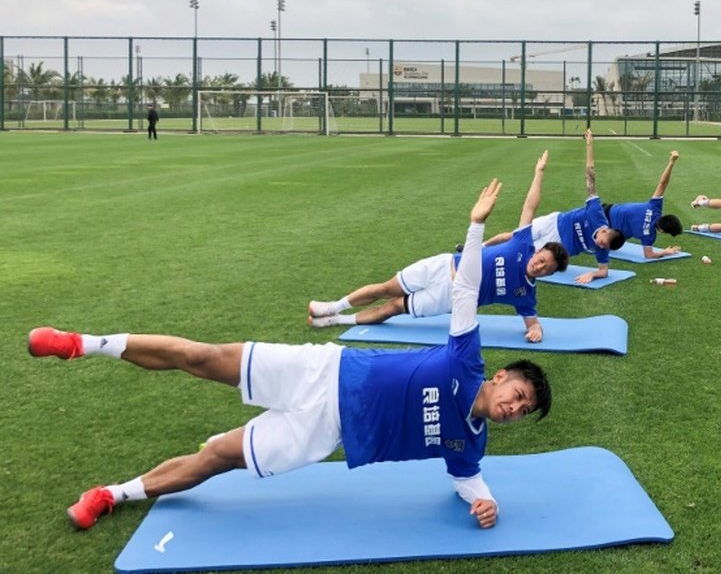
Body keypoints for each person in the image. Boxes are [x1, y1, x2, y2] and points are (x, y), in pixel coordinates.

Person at [27, 179, 552, 532]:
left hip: (324, 433)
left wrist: (486, 503)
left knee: (218, 458)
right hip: (322, 372)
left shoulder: (471, 443)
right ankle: (83, 344)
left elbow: (468, 481)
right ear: (502, 377)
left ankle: (112, 495)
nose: (515, 407)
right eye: (520, 395)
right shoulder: (467, 362)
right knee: (202, 356)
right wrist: (477, 226)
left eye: (523, 411)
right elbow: (465, 291)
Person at [309, 151, 569, 343]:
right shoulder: (522, 244)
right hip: (443, 265)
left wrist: (537, 330)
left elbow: (532, 322)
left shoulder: (526, 294)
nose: (540, 266)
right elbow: (529, 206)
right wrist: (539, 172)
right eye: (542, 259)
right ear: (538, 252)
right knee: (386, 288)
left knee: (393, 307)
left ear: (548, 274)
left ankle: (337, 320)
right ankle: (335, 306)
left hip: (450, 297)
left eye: (546, 268)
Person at [484, 129, 625, 284]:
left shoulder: (603, 249)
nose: (600, 245)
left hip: (556, 247)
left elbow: (604, 271)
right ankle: (481, 246)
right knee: (513, 236)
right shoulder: (596, 213)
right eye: (602, 241)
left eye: (604, 246)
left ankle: (485, 261)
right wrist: (589, 145)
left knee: (519, 252)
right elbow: (590, 176)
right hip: (553, 221)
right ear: (604, 230)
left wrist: (592, 274)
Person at [602, 149, 684, 259]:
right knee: (610, 244)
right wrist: (666, 252)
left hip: (605, 209)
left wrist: (671, 162)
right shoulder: (649, 235)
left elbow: (662, 184)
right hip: (606, 228)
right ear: (662, 231)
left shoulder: (655, 207)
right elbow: (649, 255)